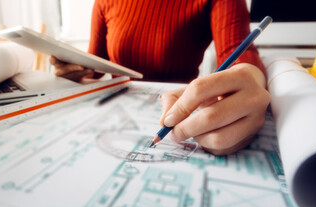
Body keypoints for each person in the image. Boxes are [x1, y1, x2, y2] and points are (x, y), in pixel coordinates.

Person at [52, 0, 269, 155]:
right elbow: (97, 66)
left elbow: (239, 53)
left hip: (182, 113)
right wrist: (75, 67)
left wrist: (251, 77)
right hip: (119, 114)